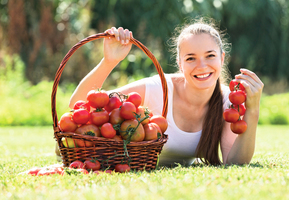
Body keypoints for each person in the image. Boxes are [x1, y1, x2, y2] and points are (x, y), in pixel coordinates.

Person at [69, 18, 264, 166]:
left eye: (210, 56)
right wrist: (109, 62)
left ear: (222, 58)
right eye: (190, 58)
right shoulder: (157, 89)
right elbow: (76, 106)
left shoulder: (227, 103)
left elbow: (235, 162)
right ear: (179, 63)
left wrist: (252, 110)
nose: (202, 66)